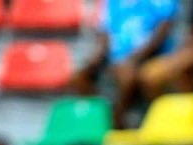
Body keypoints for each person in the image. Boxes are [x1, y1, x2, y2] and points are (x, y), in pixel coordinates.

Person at [74, 0, 180, 129]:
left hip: (149, 57)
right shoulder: (111, 3)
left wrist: (133, 59)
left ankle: (117, 122)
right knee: (78, 78)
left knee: (127, 75)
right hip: (114, 59)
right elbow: (105, 33)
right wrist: (96, 60)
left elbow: (162, 32)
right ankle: (102, 120)